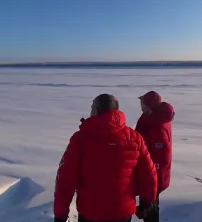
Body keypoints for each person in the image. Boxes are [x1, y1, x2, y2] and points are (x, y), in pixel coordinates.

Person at [53, 93, 159, 222]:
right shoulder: (135, 138)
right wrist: (146, 203)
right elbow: (149, 174)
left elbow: (65, 179)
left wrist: (60, 214)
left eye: (92, 108)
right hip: (122, 212)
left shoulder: (81, 138)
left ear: (97, 110)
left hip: (91, 213)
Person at [134, 91, 174, 222]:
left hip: (153, 177)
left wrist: (150, 172)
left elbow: (162, 158)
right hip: (148, 174)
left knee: (150, 207)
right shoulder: (150, 117)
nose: (140, 105)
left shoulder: (158, 127)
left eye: (143, 102)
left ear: (149, 106)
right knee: (149, 206)